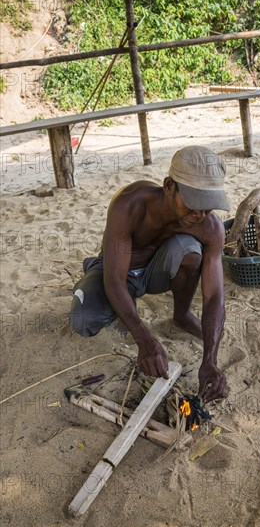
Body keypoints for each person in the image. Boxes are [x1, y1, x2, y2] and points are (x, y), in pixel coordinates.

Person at [69, 145, 229, 402]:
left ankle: (182, 314)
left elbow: (214, 296)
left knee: (191, 252)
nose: (199, 215)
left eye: (208, 207)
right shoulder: (130, 203)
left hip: (157, 271)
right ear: (168, 186)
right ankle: (116, 298)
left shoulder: (210, 228)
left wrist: (210, 359)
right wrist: (144, 339)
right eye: (192, 204)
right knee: (84, 321)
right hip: (118, 270)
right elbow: (114, 280)